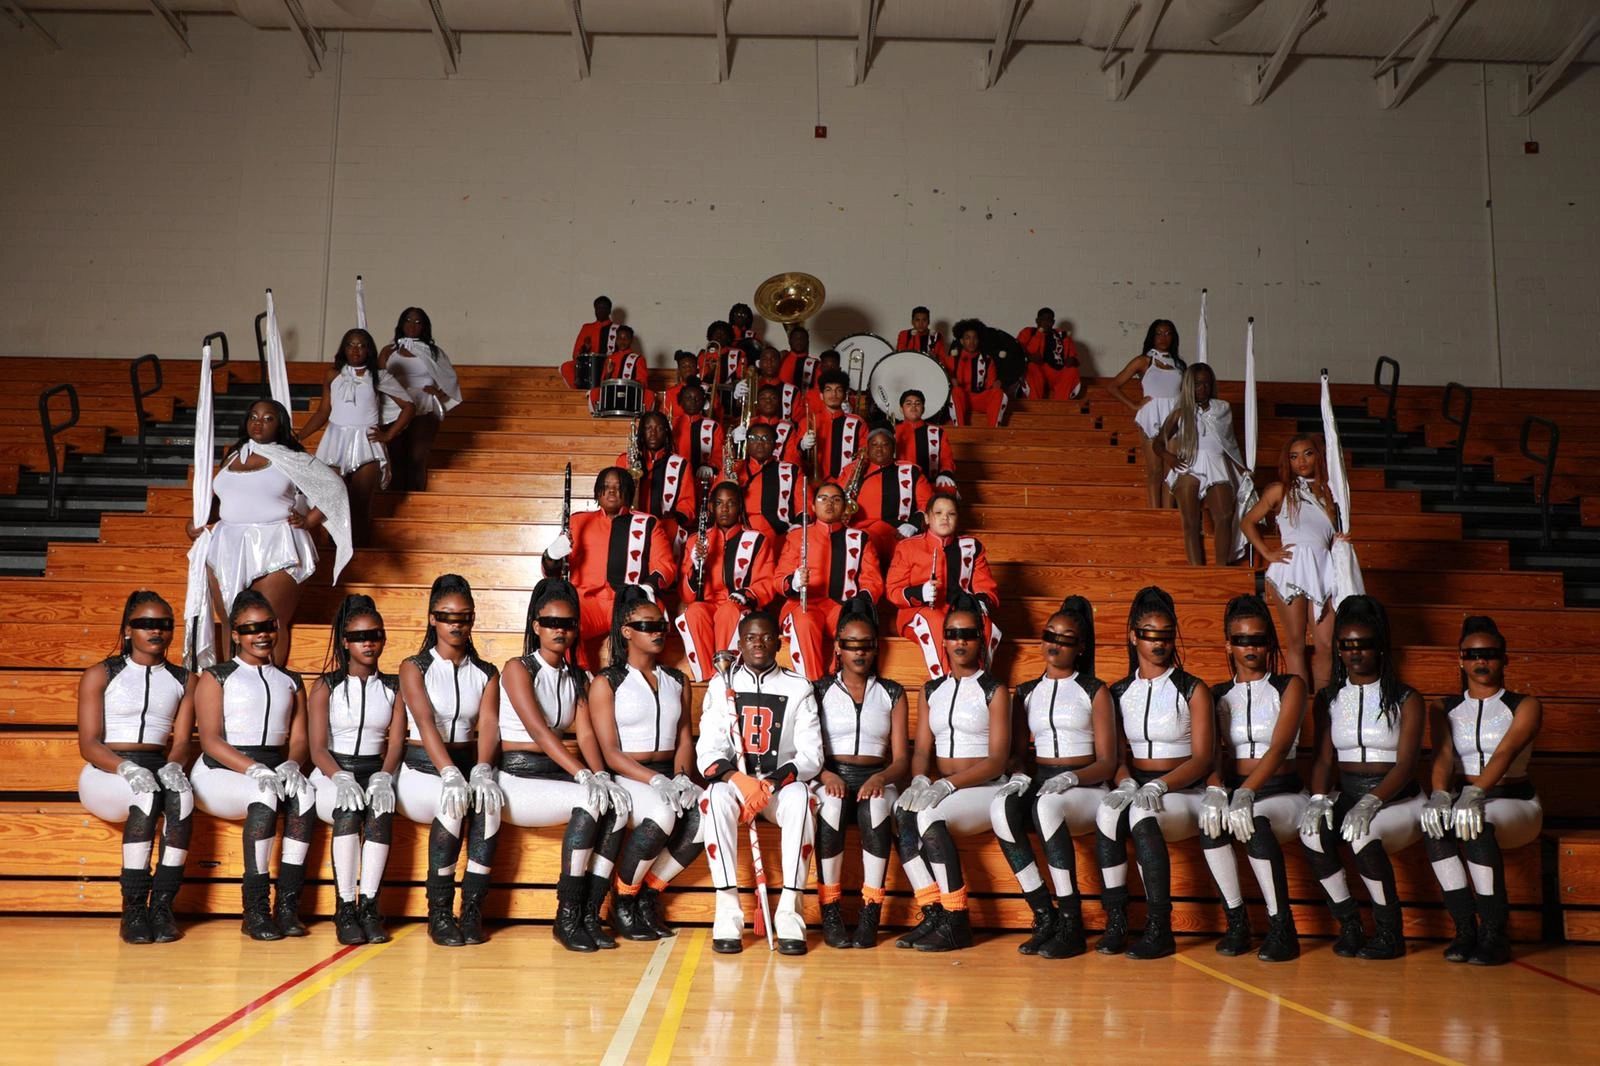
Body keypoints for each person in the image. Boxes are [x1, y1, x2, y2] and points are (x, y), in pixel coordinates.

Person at [498, 579, 635, 953]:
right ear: (536, 626)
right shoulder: (517, 668)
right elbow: (541, 733)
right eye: (552, 622)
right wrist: (582, 775)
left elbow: (588, 736)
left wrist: (602, 775)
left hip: (555, 774)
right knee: (589, 801)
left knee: (619, 805)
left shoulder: (577, 677)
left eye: (568, 624)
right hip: (517, 776)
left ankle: (591, 913)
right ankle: (567, 916)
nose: (560, 630)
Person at [1298, 594, 1426, 960]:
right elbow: (1323, 760)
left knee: (1362, 834)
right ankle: (1349, 925)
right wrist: (1320, 798)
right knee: (1312, 833)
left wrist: (1373, 802)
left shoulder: (1406, 698)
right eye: (1346, 646)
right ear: (1338, 649)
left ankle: (1390, 931)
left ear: (1381, 648)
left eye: (1364, 645)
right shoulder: (1329, 698)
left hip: (1399, 797)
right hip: (1348, 793)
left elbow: (1406, 765)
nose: (1355, 653)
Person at [1094, 586, 1219, 960]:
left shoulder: (1192, 688)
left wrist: (1162, 785)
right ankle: (1116, 921)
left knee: (1143, 813)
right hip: (1137, 786)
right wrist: (1126, 782)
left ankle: (1159, 928)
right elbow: (1114, 755)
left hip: (1185, 791)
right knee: (1107, 811)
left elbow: (1203, 757)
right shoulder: (1117, 691)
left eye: (1166, 635)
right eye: (1149, 634)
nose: (1158, 643)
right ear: (1134, 635)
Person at [989, 597, 1116, 959]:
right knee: (1001, 807)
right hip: (1042, 779)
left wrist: (1072, 778)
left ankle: (1072, 922)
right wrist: (1015, 775)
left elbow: (1108, 762)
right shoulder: (1026, 692)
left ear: (1080, 648)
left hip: (1087, 786)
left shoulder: (1094, 689)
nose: (1055, 643)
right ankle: (1044, 914)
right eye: (1050, 635)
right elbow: (1017, 753)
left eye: (1066, 638)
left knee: (1046, 807)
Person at [186, 398, 351, 669]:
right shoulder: (232, 455)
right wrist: (196, 523)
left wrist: (310, 520)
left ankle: (270, 687)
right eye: (253, 416)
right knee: (232, 620)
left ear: (280, 424)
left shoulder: (291, 457)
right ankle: (233, 686)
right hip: (227, 543)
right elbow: (221, 501)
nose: (258, 422)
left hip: (277, 541)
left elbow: (333, 487)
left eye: (267, 418)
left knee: (267, 621)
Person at [191, 590, 316, 941]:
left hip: (276, 771)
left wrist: (292, 763)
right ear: (235, 635)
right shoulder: (216, 677)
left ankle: (288, 907)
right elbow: (211, 739)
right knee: (263, 796)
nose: (261, 635)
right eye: (250, 629)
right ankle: (255, 909)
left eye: (268, 626)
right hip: (220, 772)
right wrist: (253, 769)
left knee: (305, 797)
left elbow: (300, 737)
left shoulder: (291, 680)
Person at [698, 611, 823, 954]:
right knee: (714, 798)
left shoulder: (799, 687)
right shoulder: (721, 683)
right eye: (751, 638)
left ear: (779, 643)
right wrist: (739, 780)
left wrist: (768, 783)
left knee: (803, 798)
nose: (758, 644)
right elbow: (707, 751)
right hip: (738, 787)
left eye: (766, 637)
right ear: (739, 644)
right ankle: (727, 913)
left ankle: (789, 914)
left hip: (777, 791)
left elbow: (811, 755)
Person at [76, 591, 196, 944]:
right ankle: (133, 909)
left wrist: (174, 765)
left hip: (159, 766)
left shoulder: (185, 679)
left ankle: (161, 907)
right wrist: (125, 768)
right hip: (106, 771)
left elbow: (182, 741)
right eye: (146, 624)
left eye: (163, 625)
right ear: (129, 630)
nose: (155, 631)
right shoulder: (101, 673)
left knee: (184, 799)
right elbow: (89, 744)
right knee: (145, 795)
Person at [1422, 616, 1542, 966]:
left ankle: (1494, 931)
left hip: (1514, 800)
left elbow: (1505, 753)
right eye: (1472, 655)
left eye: (1489, 654)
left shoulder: (1525, 704)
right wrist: (1440, 794)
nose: (1481, 661)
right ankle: (1464, 929)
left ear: (1505, 658)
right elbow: (1443, 754)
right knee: (1434, 825)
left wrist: (1474, 794)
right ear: (1460, 659)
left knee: (1476, 824)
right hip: (1463, 800)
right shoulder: (1443, 707)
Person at [395, 575, 505, 947]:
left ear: (473, 619)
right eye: (446, 616)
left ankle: (472, 909)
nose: (455, 624)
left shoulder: (487, 672)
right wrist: (448, 773)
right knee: (453, 802)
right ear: (432, 619)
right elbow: (424, 722)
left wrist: (483, 768)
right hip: (420, 767)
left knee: (489, 805)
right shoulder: (414, 667)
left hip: (466, 762)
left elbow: (488, 724)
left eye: (464, 616)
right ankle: (439, 912)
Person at [892, 608, 1010, 952]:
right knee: (901, 811)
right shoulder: (931, 690)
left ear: (980, 640)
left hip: (986, 788)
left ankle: (957, 919)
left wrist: (948, 785)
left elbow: (997, 760)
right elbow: (922, 751)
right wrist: (918, 780)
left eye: (969, 634)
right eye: (954, 634)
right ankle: (933, 913)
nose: (961, 641)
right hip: (946, 787)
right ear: (942, 640)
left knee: (930, 816)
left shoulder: (995, 689)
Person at [587, 588, 701, 942]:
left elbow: (684, 738)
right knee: (664, 813)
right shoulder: (608, 681)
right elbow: (609, 751)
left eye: (661, 626)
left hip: (670, 773)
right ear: (626, 631)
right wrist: (656, 782)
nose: (657, 632)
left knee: (706, 816)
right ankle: (623, 899)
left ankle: (650, 895)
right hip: (629, 776)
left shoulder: (677, 681)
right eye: (646, 625)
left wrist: (682, 777)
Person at [1204, 595, 1310, 962]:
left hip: (1283, 792)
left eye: (1258, 639)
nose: (1250, 647)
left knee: (1256, 822)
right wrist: (1217, 787)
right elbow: (1212, 751)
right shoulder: (1218, 694)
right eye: (1242, 639)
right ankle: (1237, 924)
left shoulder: (1289, 685)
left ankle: (1283, 927)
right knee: (1210, 825)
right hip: (1235, 791)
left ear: (1269, 643)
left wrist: (1247, 792)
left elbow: (1280, 747)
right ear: (1229, 645)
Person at [307, 594, 405, 945]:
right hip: (333, 769)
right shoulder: (326, 686)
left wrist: (385, 775)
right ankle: (344, 907)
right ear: (345, 642)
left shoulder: (395, 687)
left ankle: (370, 905)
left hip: (374, 771)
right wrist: (339, 776)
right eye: (360, 636)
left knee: (381, 810)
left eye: (375, 635)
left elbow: (395, 743)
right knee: (348, 809)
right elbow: (316, 747)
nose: (368, 642)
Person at [813, 610, 909, 949]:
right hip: (830, 774)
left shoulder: (892, 692)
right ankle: (831, 910)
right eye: (852, 645)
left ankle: (871, 911)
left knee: (877, 808)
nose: (860, 652)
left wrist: (881, 777)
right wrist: (824, 774)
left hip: (877, 776)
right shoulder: (819, 689)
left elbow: (901, 760)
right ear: (838, 647)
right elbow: (807, 748)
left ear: (875, 648)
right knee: (832, 805)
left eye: (866, 645)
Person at [543, 467, 677, 670]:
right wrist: (552, 554)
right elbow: (552, 572)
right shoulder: (579, 522)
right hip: (587, 601)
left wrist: (647, 588)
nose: (612, 491)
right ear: (598, 493)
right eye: (606, 487)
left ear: (628, 492)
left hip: (627, 600)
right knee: (564, 621)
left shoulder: (647, 523)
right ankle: (581, 679)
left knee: (645, 627)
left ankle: (632, 682)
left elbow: (666, 566)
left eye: (618, 487)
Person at [1241, 434, 1342, 692]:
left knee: (1326, 645)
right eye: (1294, 456)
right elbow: (1247, 522)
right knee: (1296, 643)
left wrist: (1340, 541)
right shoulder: (1280, 490)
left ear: (1318, 455)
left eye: (1308, 453)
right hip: (1292, 568)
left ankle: (1323, 704)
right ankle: (1302, 711)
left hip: (1324, 569)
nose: (1301, 461)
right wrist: (1268, 552)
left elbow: (1330, 537)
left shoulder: (1332, 494)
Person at [296, 328, 415, 546]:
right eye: (351, 344)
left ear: (369, 350)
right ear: (344, 348)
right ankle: (335, 549)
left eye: (361, 345)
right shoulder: (333, 375)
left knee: (360, 501)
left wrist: (388, 434)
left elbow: (408, 406)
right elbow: (323, 412)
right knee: (331, 498)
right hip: (335, 441)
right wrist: (299, 436)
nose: (356, 349)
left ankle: (359, 553)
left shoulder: (379, 376)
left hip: (366, 442)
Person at [776, 481, 885, 681]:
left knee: (852, 627)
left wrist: (856, 605)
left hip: (841, 607)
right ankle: (812, 684)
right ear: (813, 506)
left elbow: (873, 581)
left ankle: (840, 683)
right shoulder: (797, 536)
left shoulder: (860, 539)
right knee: (804, 621)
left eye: (836, 499)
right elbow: (778, 579)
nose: (829, 504)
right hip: (802, 605)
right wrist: (794, 581)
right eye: (823, 499)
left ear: (844, 506)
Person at [674, 482, 780, 681]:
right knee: (694, 612)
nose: (724, 509)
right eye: (719, 503)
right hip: (707, 604)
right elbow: (686, 596)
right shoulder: (696, 541)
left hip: (738, 607)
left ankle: (726, 676)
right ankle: (708, 678)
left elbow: (766, 582)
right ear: (712, 507)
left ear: (739, 506)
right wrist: (697, 568)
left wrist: (746, 593)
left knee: (728, 610)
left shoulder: (757, 540)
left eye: (731, 503)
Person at [885, 493, 999, 677]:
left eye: (951, 514)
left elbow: (985, 586)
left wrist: (978, 602)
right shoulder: (908, 547)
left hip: (959, 610)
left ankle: (980, 681)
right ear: (928, 518)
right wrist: (920, 592)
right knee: (936, 621)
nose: (945, 517)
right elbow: (892, 590)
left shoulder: (972, 547)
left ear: (958, 518)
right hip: (918, 612)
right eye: (938, 513)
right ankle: (945, 685)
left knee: (984, 623)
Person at [1155, 363, 1246, 566]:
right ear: (1189, 386)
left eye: (1206, 384)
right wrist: (1169, 457)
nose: (1202, 388)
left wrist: (1243, 469)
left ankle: (1221, 569)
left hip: (1216, 463)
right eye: (1197, 384)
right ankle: (1197, 570)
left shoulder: (1222, 409)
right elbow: (1157, 443)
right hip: (1189, 464)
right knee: (1191, 522)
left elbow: (1230, 443)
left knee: (1224, 515)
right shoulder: (1180, 413)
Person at [379, 306, 461, 492]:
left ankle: (416, 498)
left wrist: (438, 392)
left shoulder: (433, 352)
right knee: (395, 454)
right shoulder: (388, 351)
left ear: (424, 326)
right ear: (401, 324)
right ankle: (396, 499)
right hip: (395, 407)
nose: (413, 325)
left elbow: (450, 379)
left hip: (424, 406)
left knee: (417, 455)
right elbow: (380, 379)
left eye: (418, 322)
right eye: (408, 320)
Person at [1109, 319, 1185, 508]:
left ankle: (1168, 513)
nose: (1163, 337)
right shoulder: (1144, 361)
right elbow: (1113, 386)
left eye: (1168, 333)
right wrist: (1134, 405)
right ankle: (1154, 513)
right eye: (1159, 333)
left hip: (1175, 416)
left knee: (1171, 469)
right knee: (1155, 470)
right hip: (1152, 416)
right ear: (1152, 336)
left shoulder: (1179, 364)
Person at [839, 428, 933, 566]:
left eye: (885, 444)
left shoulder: (911, 471)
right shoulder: (851, 470)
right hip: (859, 530)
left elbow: (928, 503)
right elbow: (837, 496)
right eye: (874, 445)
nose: (879, 449)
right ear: (867, 448)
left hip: (898, 531)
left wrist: (914, 524)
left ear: (893, 447)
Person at [617, 411, 697, 548]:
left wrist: (675, 518)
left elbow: (688, 505)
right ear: (641, 432)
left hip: (666, 528)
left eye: (659, 428)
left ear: (666, 432)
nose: (653, 433)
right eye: (648, 428)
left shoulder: (681, 465)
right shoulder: (625, 460)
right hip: (630, 525)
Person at [733, 423, 804, 548]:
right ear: (747, 443)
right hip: (739, 535)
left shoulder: (792, 470)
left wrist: (798, 527)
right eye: (754, 438)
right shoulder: (734, 469)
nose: (760, 443)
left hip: (779, 538)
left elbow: (805, 505)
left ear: (775, 445)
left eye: (766, 438)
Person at [943, 320, 1008, 428]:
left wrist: (997, 384)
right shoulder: (951, 360)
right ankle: (960, 429)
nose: (971, 341)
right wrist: (951, 379)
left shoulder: (987, 360)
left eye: (974, 338)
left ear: (978, 340)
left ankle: (994, 430)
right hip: (961, 399)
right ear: (962, 341)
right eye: (967, 338)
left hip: (979, 399)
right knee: (956, 391)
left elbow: (991, 385)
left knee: (998, 392)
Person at [895, 390, 958, 491]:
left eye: (917, 403)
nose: (913, 407)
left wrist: (945, 472)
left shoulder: (937, 432)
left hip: (930, 482)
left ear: (923, 409)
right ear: (901, 409)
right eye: (908, 403)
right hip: (900, 483)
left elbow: (946, 458)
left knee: (949, 488)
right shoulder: (893, 431)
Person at [810, 369, 866, 481]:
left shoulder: (857, 423)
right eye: (828, 390)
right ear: (821, 395)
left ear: (845, 396)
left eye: (838, 390)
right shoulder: (809, 421)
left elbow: (864, 455)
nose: (833, 394)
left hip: (847, 481)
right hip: (815, 484)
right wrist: (801, 446)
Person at [587, 325, 656, 414]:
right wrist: (608, 373)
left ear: (631, 340)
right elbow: (603, 384)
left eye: (625, 338)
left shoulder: (639, 359)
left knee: (649, 395)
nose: (622, 341)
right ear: (615, 340)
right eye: (619, 338)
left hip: (631, 395)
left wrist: (629, 385)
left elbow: (643, 382)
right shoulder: (610, 358)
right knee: (594, 392)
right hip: (611, 395)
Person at [1016, 307, 1082, 400]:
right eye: (1043, 319)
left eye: (1049, 320)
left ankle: (1061, 405)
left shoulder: (1062, 335)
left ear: (1053, 322)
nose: (1046, 322)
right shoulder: (1029, 332)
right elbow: (1016, 351)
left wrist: (1072, 360)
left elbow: (1074, 357)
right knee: (1032, 366)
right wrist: (1029, 358)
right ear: (1037, 320)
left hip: (1057, 373)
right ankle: (1035, 404)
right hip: (1037, 371)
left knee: (1072, 370)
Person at [671, 381, 725, 482]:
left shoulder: (714, 427)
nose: (693, 401)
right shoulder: (672, 424)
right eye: (688, 398)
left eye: (697, 398)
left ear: (703, 402)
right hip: (677, 476)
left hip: (704, 479)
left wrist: (711, 467)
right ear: (681, 401)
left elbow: (719, 454)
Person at [747, 382, 804, 464]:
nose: (768, 401)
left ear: (779, 403)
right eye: (763, 398)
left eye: (773, 398)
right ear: (757, 404)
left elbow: (792, 458)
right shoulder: (749, 424)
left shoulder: (788, 428)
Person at [570, 295, 621, 361]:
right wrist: (585, 348)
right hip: (590, 363)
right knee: (566, 366)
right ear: (595, 309)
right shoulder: (587, 328)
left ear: (609, 310)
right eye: (598, 308)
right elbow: (576, 355)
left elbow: (622, 353)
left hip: (608, 364)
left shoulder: (618, 329)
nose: (601, 311)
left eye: (604, 308)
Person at [659, 352, 702, 420]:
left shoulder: (706, 389)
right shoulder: (670, 393)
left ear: (697, 370)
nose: (688, 369)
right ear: (679, 370)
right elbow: (663, 417)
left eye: (691, 366)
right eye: (684, 366)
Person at [780, 325, 818, 391]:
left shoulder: (816, 364)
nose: (799, 341)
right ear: (790, 341)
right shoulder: (781, 359)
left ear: (807, 342)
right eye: (796, 338)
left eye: (802, 338)